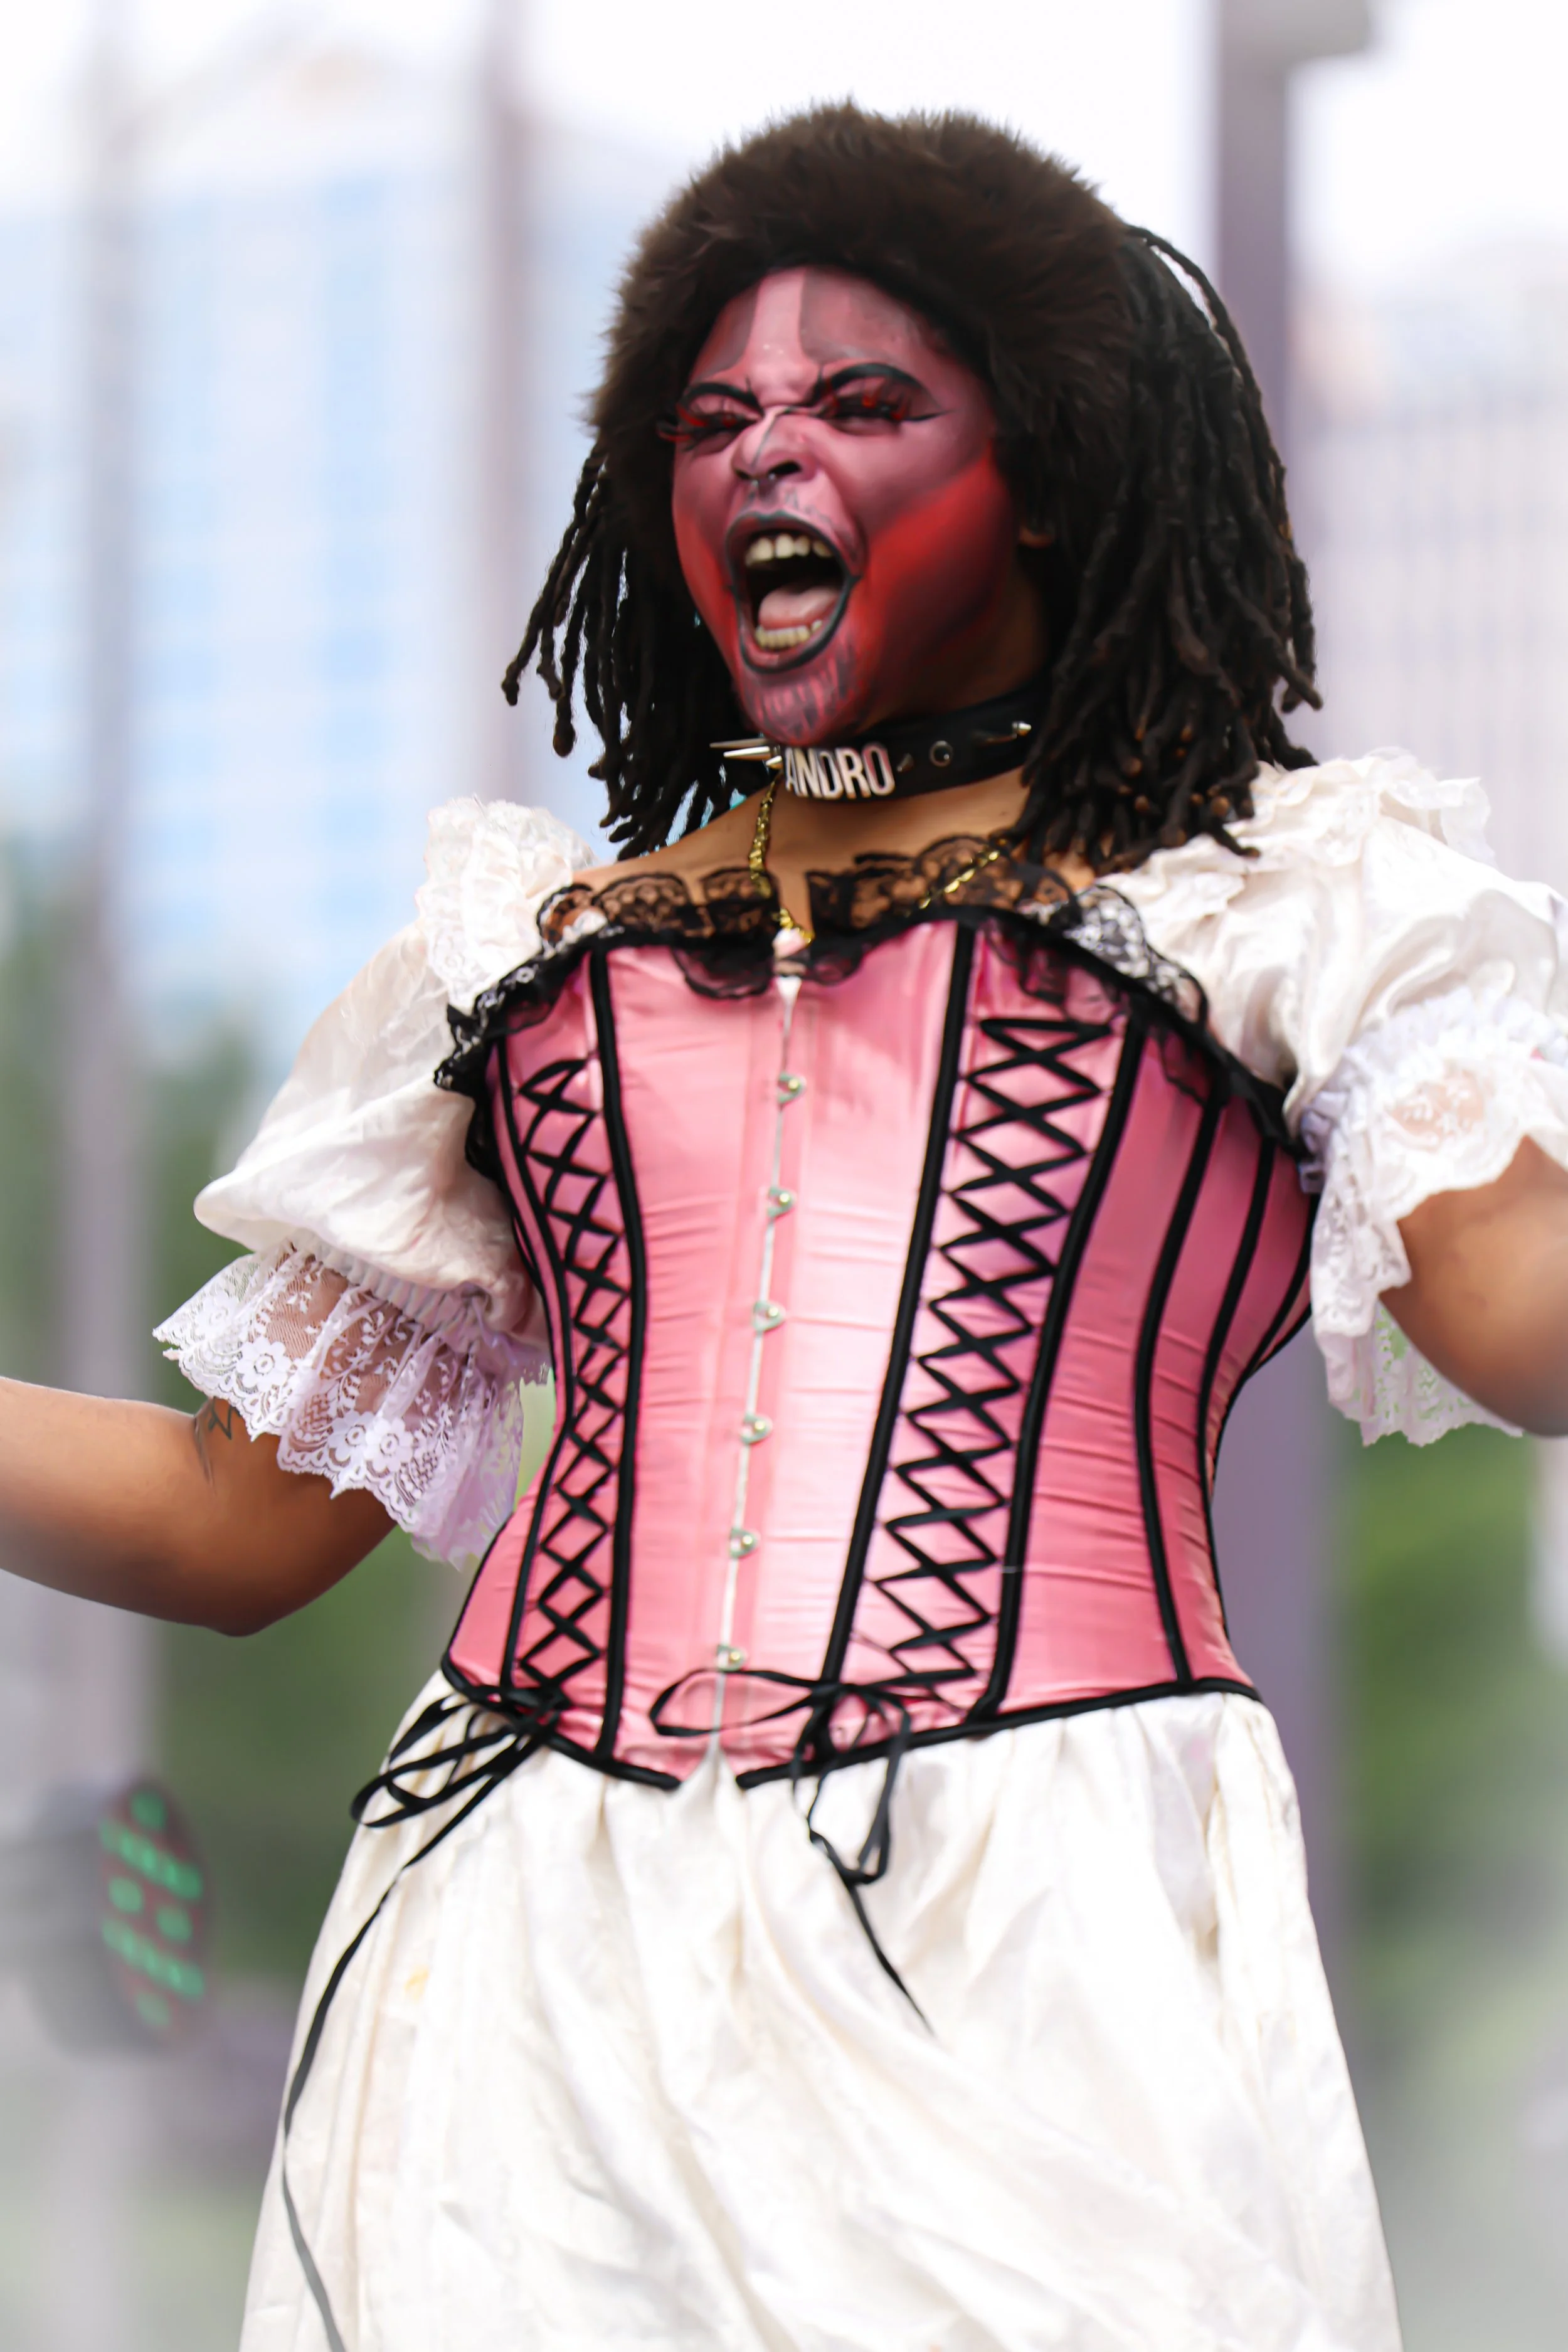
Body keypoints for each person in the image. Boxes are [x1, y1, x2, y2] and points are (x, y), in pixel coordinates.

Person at [3, 103, 1567, 2351]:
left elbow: (1514, 1307)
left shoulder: (1282, 901)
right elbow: (231, 1524)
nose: (766, 457)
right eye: (714, 417)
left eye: (859, 407)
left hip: (1030, 1914)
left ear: (1031, 469)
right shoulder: (517, 954)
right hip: (520, 1920)